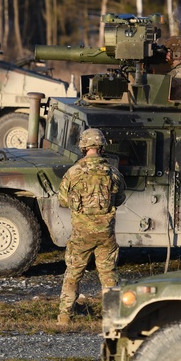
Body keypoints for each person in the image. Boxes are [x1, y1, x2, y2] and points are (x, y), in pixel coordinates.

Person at [56, 128, 126, 325]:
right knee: (108, 273)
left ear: (83, 146)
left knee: (73, 272)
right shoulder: (112, 173)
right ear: (102, 147)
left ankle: (64, 316)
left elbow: (62, 199)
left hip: (81, 234)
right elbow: (120, 199)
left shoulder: (73, 172)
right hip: (105, 234)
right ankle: (113, 317)